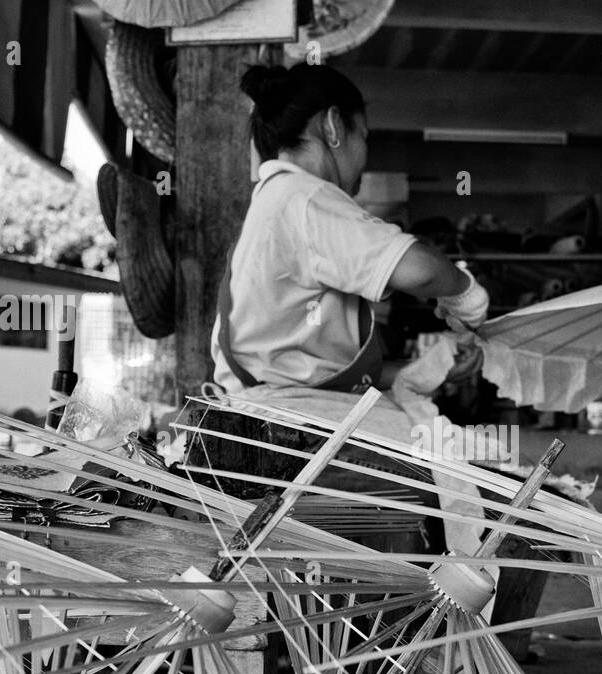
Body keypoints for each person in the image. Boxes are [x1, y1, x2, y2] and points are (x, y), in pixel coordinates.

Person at [203, 62, 491, 554]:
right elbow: (418, 266)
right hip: (285, 429)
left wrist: (418, 370)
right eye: (364, 138)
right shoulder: (304, 196)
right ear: (334, 126)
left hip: (279, 417)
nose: (362, 158)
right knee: (471, 488)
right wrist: (465, 293)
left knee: (460, 471)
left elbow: (312, 368)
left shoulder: (280, 200)